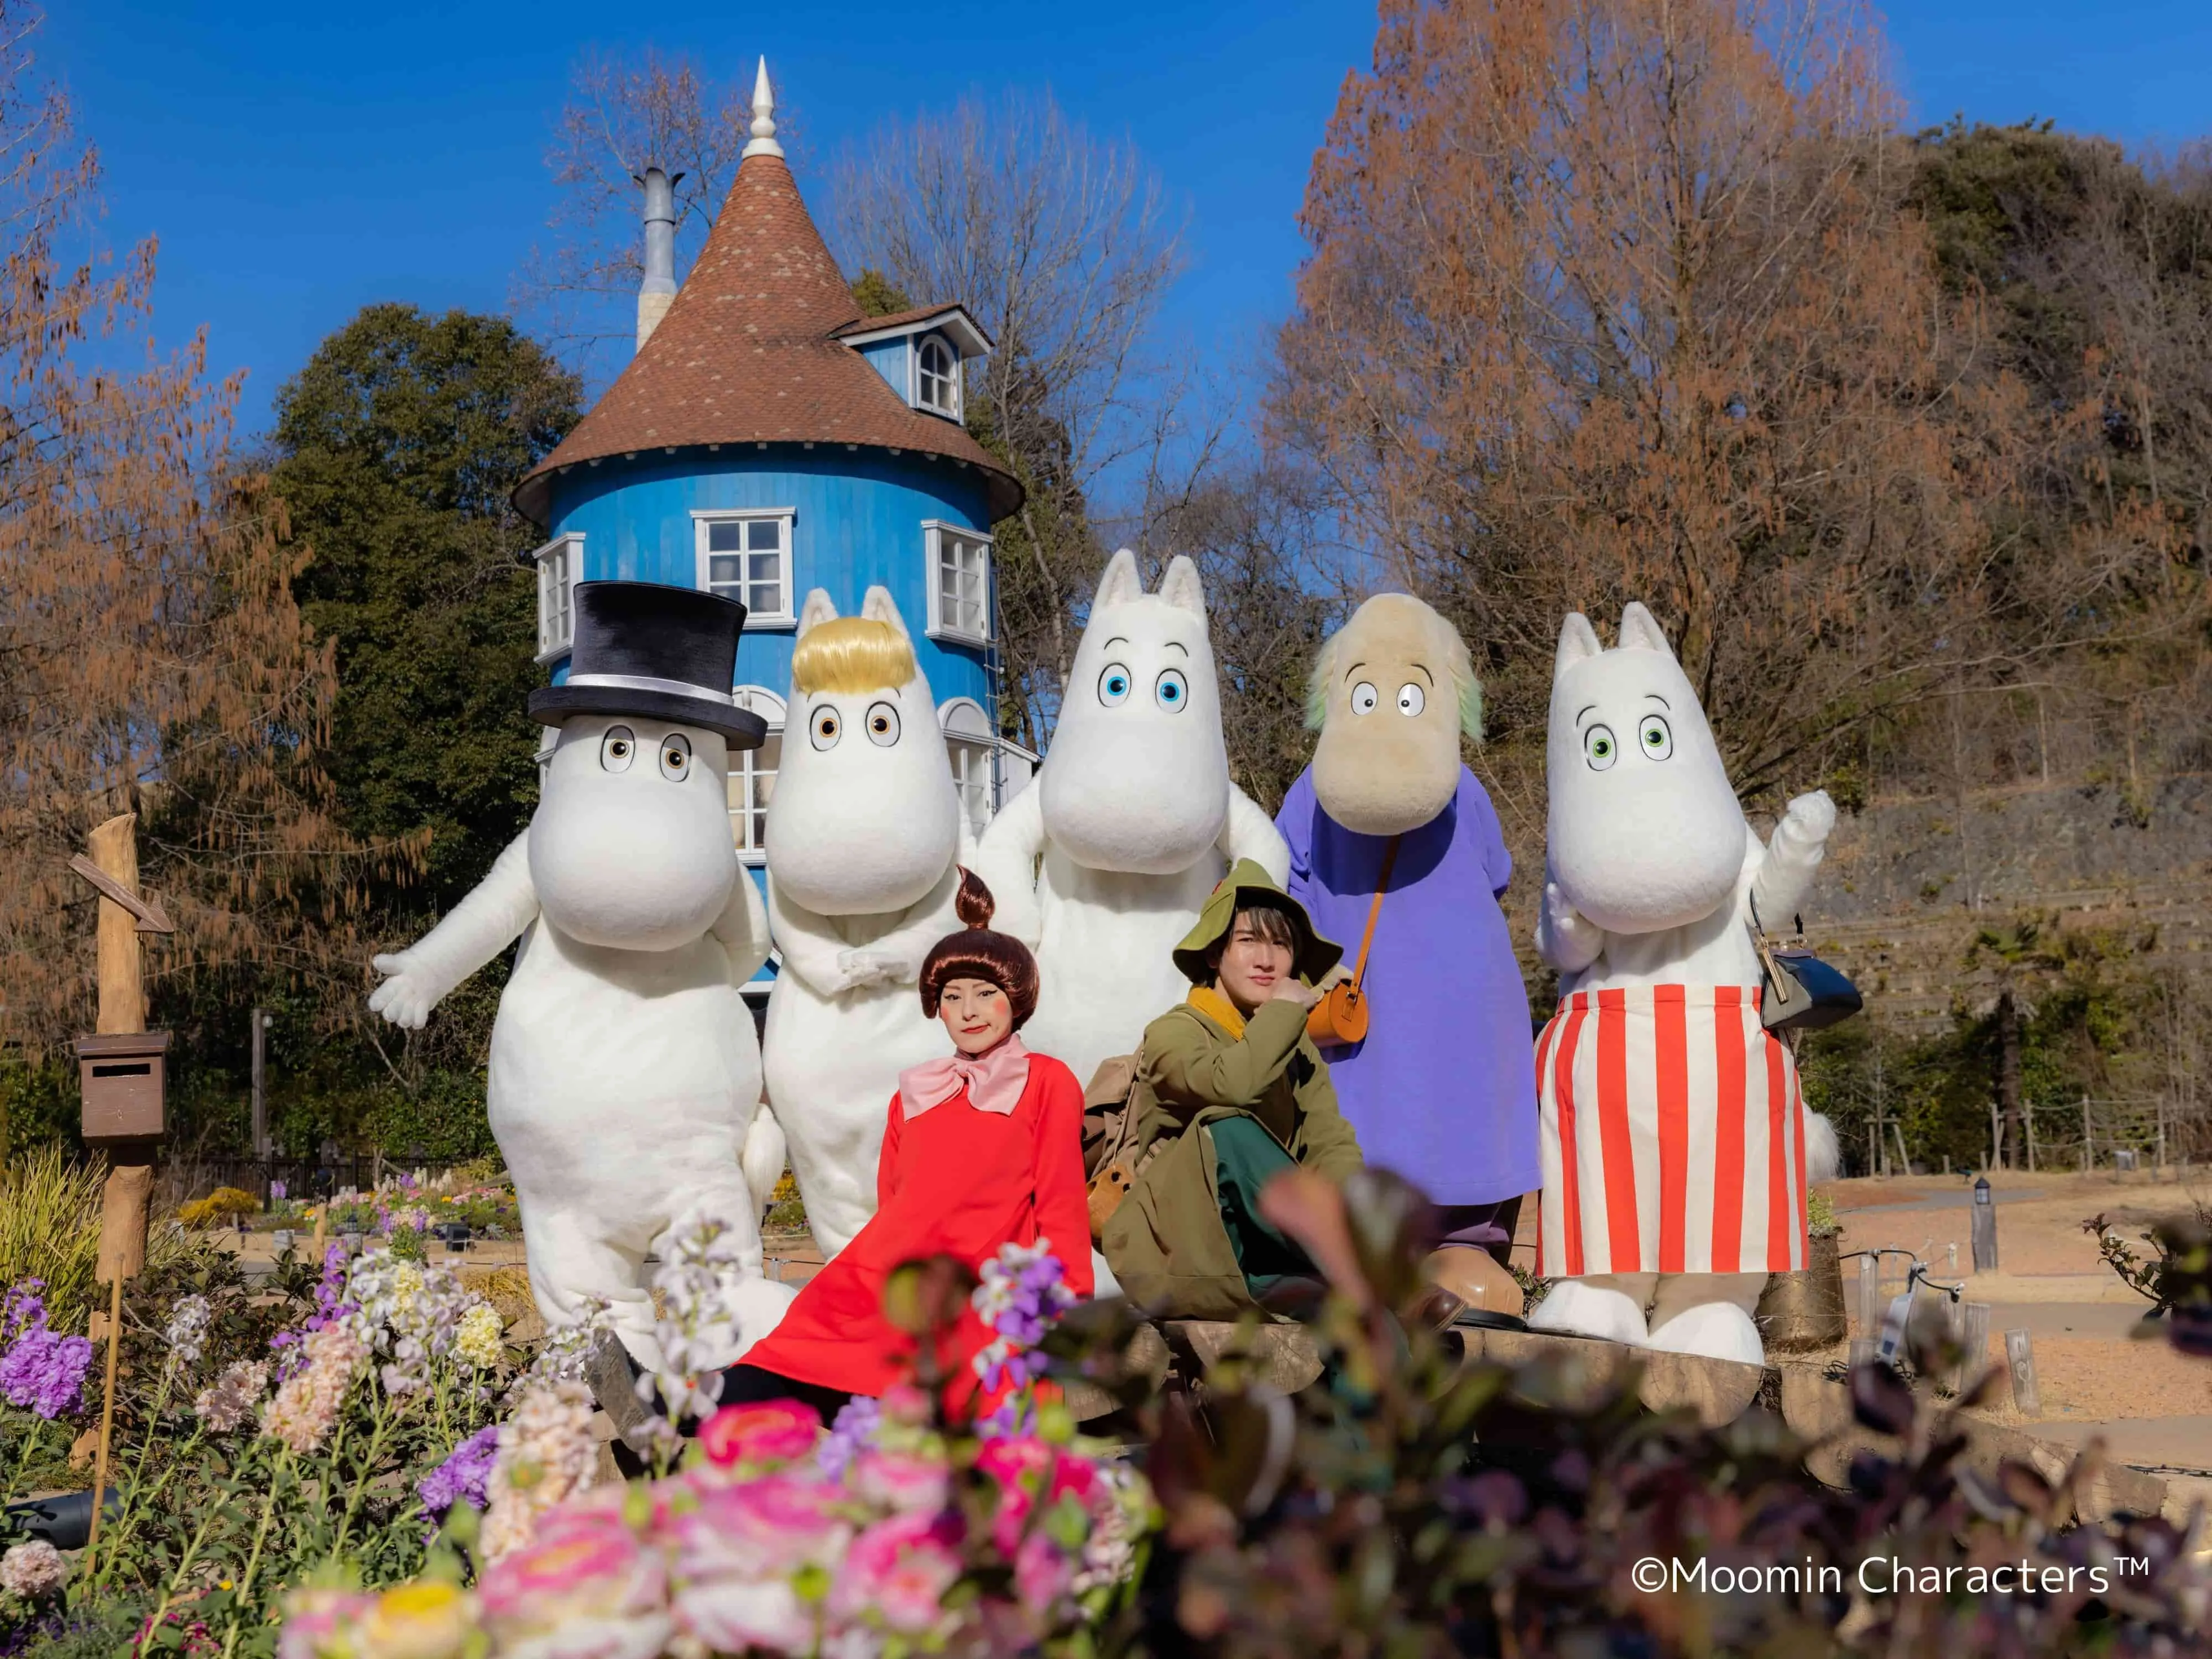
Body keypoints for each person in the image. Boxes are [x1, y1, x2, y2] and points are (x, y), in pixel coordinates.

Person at [714, 870, 1093, 1418]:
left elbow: (1060, 1203)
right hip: (895, 1268)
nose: (968, 1011)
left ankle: (701, 1411)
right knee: (806, 1338)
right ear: (935, 1006)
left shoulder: (1046, 1081)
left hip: (982, 1281)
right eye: (951, 996)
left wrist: (1066, 1307)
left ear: (1016, 1000)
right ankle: (682, 1406)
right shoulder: (916, 1092)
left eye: (985, 995)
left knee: (889, 1366)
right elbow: (894, 1199)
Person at [1098, 860, 1364, 1322]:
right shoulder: (1172, 1033)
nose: (1267, 959)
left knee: (1355, 1322)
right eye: (1248, 941)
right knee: (1228, 1127)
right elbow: (1232, 1087)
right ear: (1213, 954)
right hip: (1179, 1254)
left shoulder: (1297, 1049)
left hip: (1268, 1259)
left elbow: (1330, 1143)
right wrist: (1283, 1012)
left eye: (1281, 944)